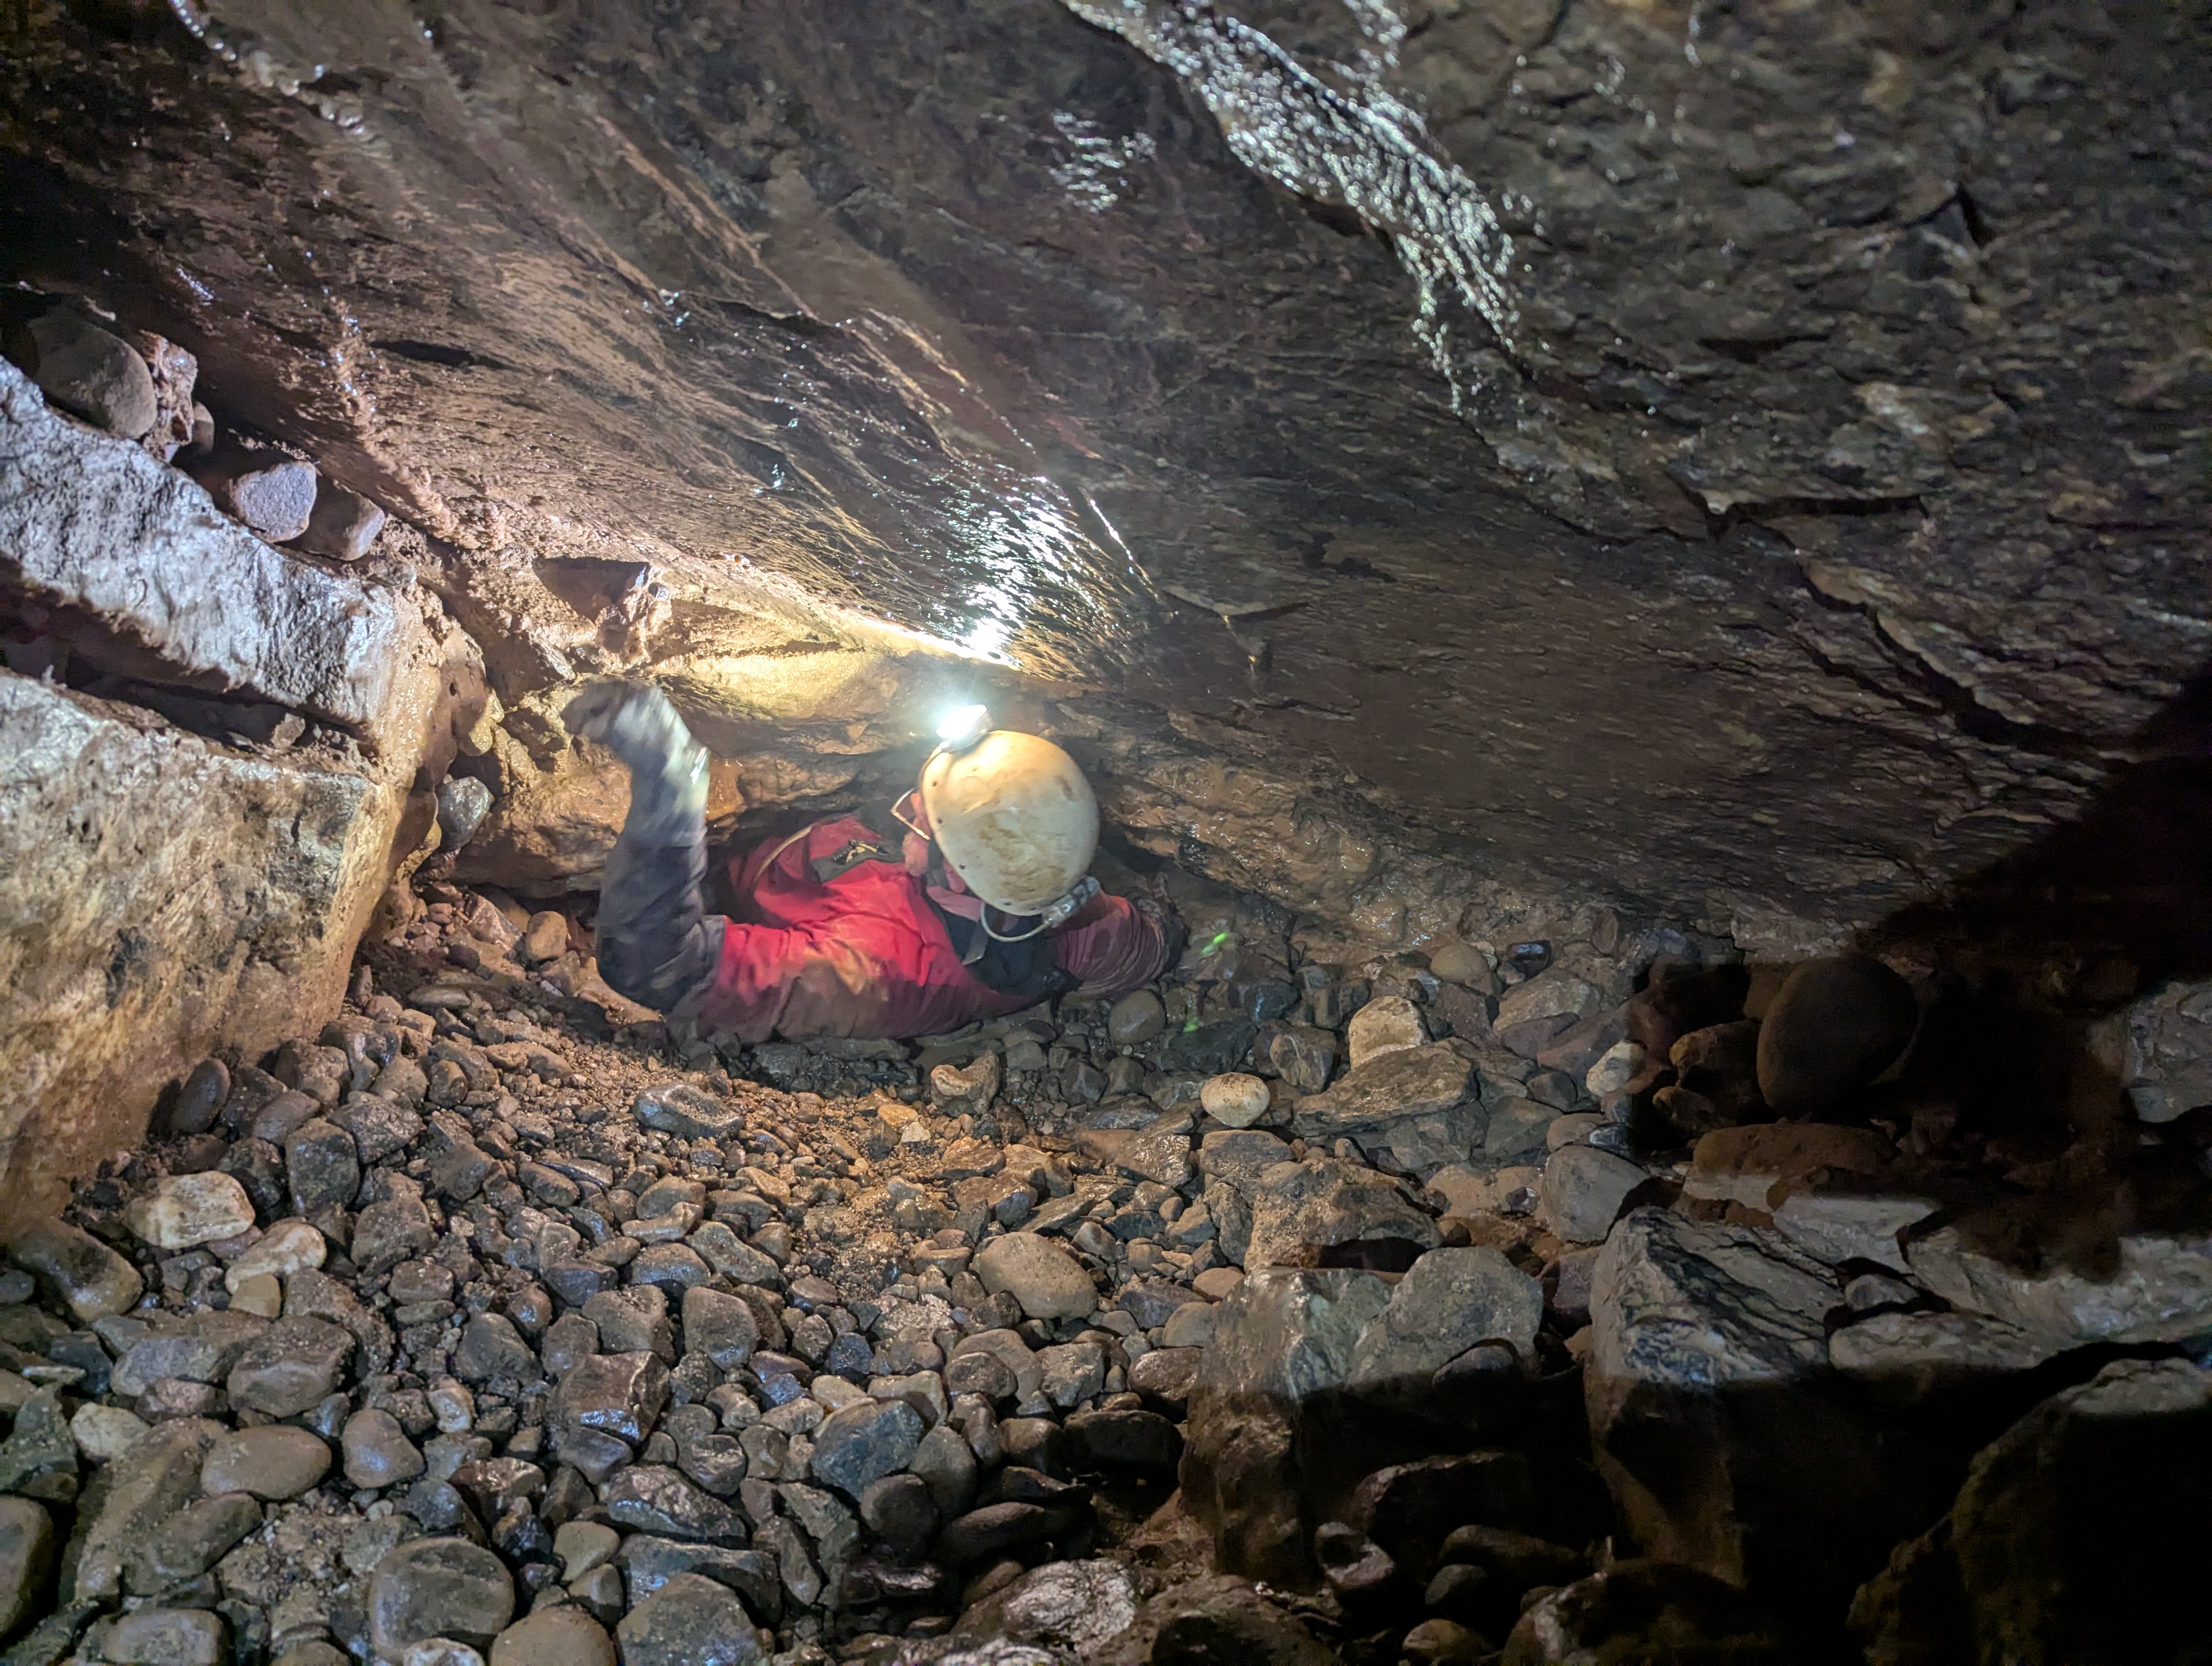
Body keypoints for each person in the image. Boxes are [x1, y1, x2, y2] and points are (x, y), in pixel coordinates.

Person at [560, 682, 1180, 1041]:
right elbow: (1144, 942)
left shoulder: (876, 971)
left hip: (705, 886)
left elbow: (660, 965)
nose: (909, 807)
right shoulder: (1068, 909)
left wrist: (672, 793)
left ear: (960, 873)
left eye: (924, 818)